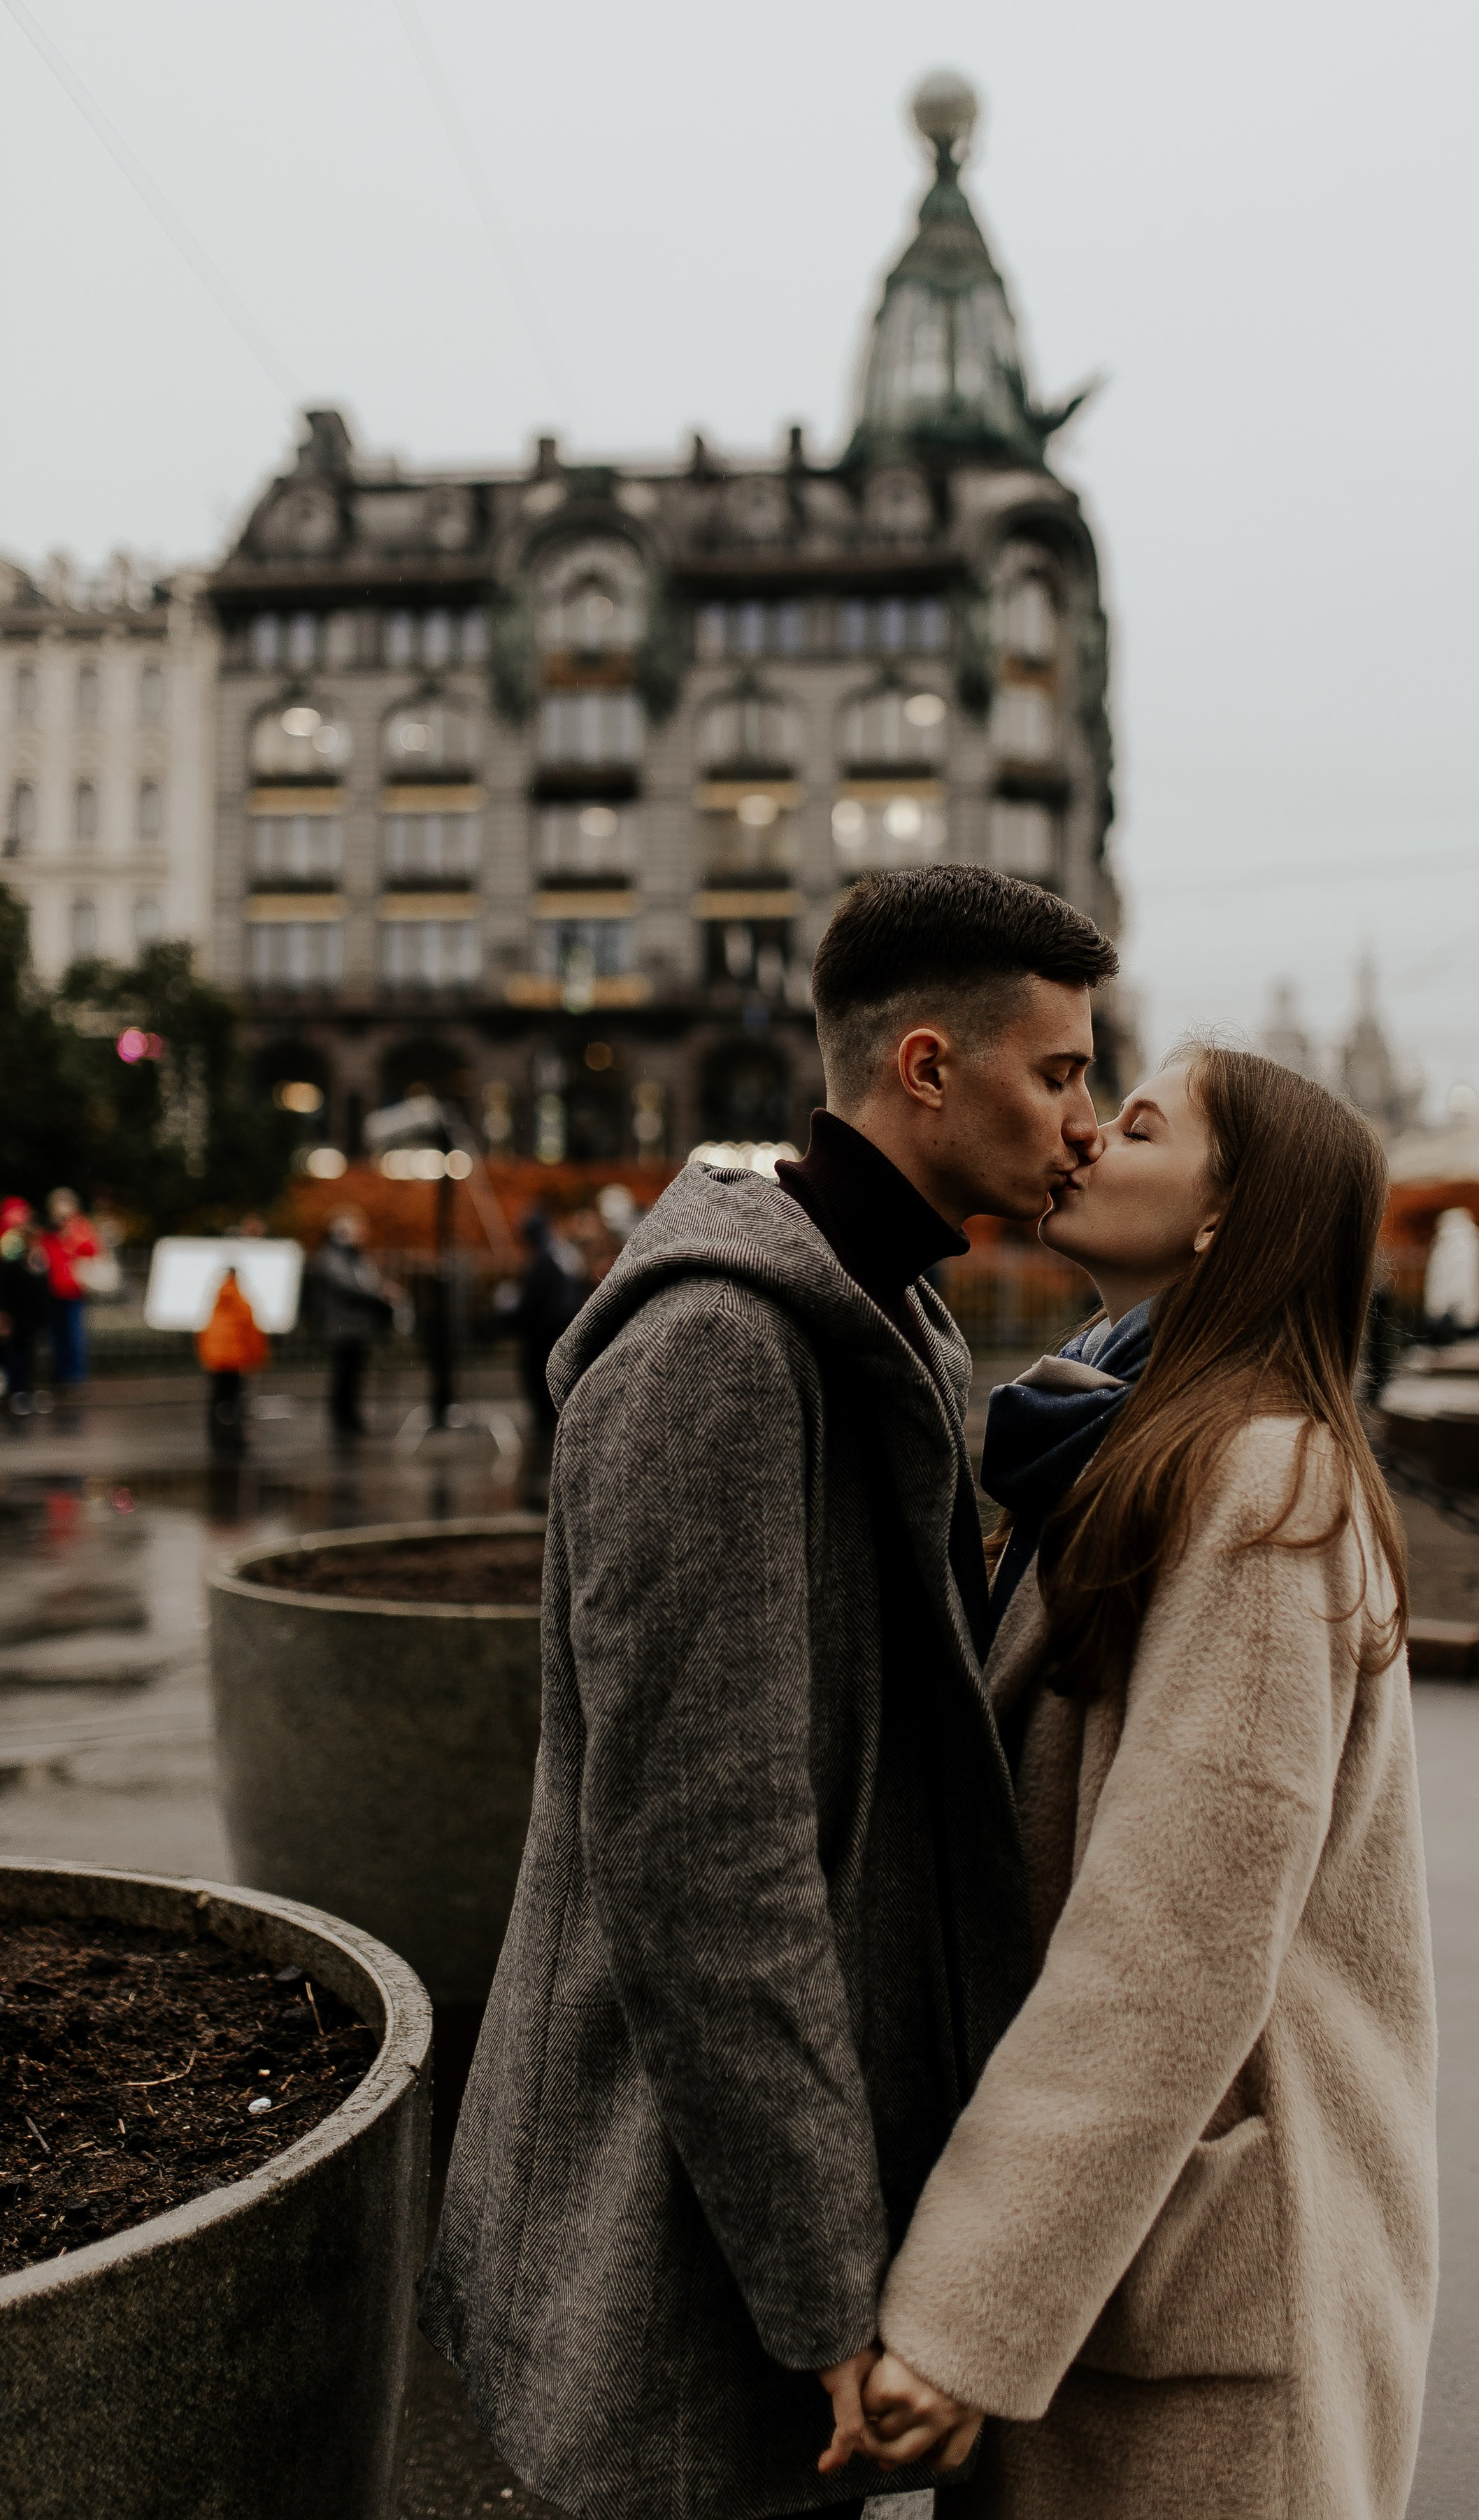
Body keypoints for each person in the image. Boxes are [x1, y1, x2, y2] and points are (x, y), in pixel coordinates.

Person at [421, 866, 1119, 2520]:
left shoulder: (899, 1315)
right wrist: (824, 2290)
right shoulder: (721, 1347)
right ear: (928, 1068)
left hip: (780, 2183)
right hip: (678, 2233)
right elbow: (703, 1861)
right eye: (1060, 1072)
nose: (1082, 1123)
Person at [850, 1045, 1439, 2520]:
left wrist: (968, 2300)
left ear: (1221, 1221)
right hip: (1123, 2262)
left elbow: (1170, 1945)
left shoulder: (1258, 1492)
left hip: (1203, 2283)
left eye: (1137, 1124)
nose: (1082, 1136)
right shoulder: (1117, 1437)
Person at [308, 1209, 401, 1436]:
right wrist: (380, 1293)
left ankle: (350, 1417)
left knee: (354, 1374)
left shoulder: (355, 1257)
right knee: (344, 1374)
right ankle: (342, 1419)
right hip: (343, 1326)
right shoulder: (333, 1256)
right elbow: (349, 1285)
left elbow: (367, 1280)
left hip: (357, 1327)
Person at [508, 1209, 590, 1436]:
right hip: (561, 1324)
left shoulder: (545, 1257)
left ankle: (545, 1425)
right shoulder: (561, 1252)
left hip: (545, 1329)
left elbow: (534, 1297)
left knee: (538, 1373)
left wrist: (515, 1317)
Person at [195, 1266, 269, 1457]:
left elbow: (206, 1334)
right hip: (236, 1361)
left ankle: (215, 1434)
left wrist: (209, 1356)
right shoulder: (243, 1304)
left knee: (217, 1398)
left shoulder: (216, 1302)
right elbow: (252, 1336)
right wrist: (256, 1358)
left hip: (218, 1361)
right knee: (235, 1399)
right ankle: (234, 1436)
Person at [42, 1188, 103, 1389]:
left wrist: (70, 1237)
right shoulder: (49, 1231)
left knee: (73, 1333)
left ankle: (75, 1374)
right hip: (52, 1289)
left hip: (74, 1289)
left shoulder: (80, 1226)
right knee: (57, 1334)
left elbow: (92, 1249)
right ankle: (61, 1372)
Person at [0, 1199, 48, 1415]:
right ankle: (17, 1391)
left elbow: (39, 1284)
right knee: (15, 1354)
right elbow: (8, 1285)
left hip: (30, 1315)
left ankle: (27, 1389)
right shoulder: (11, 1251)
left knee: (28, 1354)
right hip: (15, 1314)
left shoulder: (35, 1256)